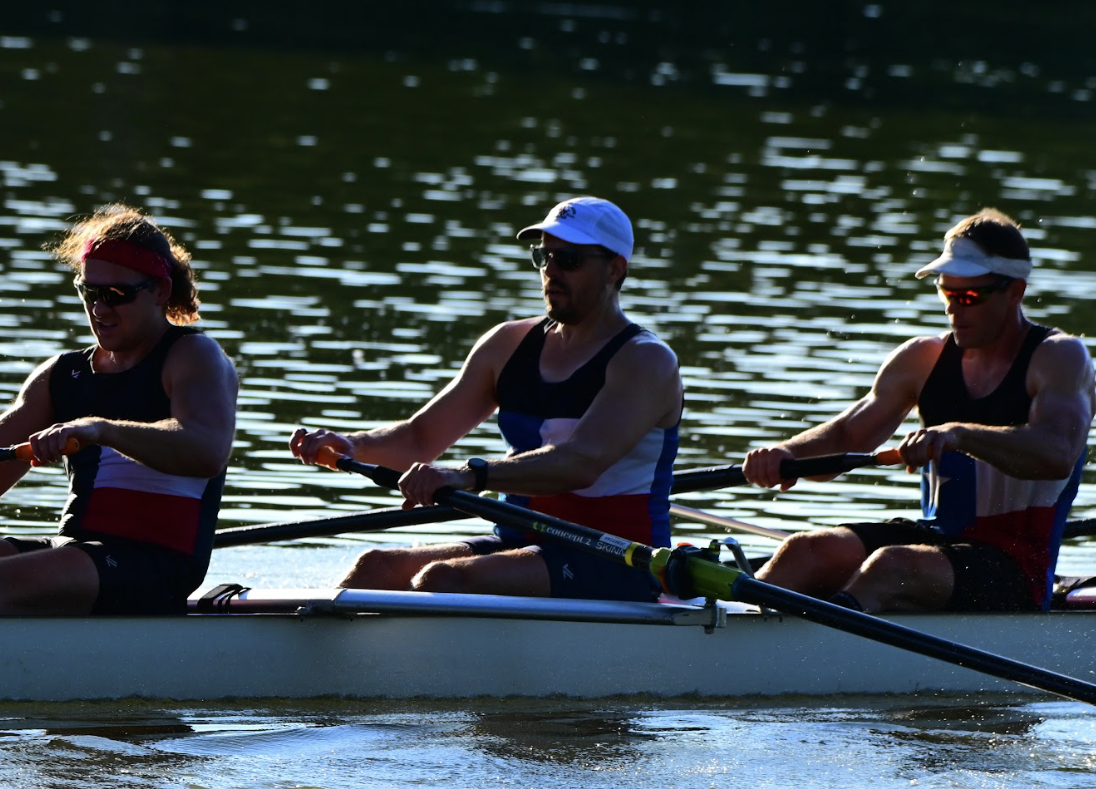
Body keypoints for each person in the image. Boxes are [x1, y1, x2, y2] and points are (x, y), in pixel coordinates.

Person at [289, 196, 682, 601]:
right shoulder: (507, 344)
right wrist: (355, 444)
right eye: (544, 258)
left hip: (618, 557)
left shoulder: (644, 362)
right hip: (521, 540)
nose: (551, 272)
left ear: (615, 269)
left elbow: (579, 462)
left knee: (444, 579)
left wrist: (468, 475)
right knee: (374, 566)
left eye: (569, 261)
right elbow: (420, 438)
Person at [0, 204, 237, 616]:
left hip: (156, 563)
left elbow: (206, 450)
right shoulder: (63, 375)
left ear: (160, 291)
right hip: (79, 551)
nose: (99, 308)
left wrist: (101, 429)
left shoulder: (193, 356)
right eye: (89, 292)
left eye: (117, 295)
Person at [742, 209, 1093, 613]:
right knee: (805, 550)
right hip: (936, 539)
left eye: (968, 297)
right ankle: (730, 636)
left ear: (1014, 291)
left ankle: (815, 651)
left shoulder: (1058, 357)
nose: (952, 310)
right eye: (946, 294)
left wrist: (960, 434)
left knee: (892, 566)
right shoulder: (921, 359)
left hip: (1016, 565)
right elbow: (843, 440)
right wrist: (785, 454)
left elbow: (1056, 454)